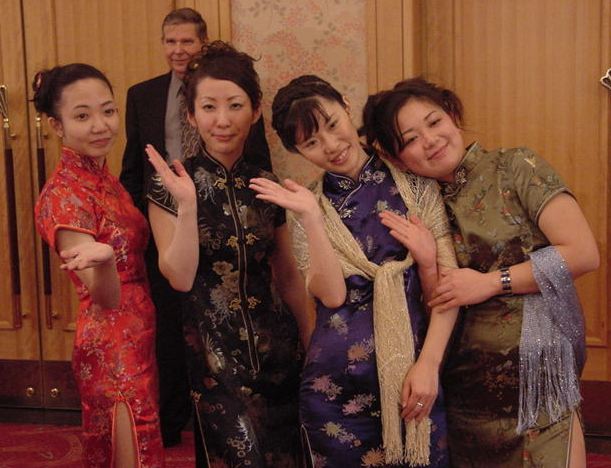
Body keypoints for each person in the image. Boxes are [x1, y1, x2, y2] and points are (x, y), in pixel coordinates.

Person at [362, 77, 600, 467]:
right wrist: (427, 263)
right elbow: (432, 300)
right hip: (464, 386)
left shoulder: (515, 167)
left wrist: (491, 283)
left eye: (434, 122)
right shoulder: (419, 206)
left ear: (453, 117)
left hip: (537, 381)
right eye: (411, 139)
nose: (431, 140)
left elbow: (583, 253)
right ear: (397, 158)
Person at [250, 75, 459, 467]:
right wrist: (312, 219)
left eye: (332, 124)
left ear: (347, 106)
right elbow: (332, 296)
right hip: (334, 390)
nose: (331, 145)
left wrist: (429, 365)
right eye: (311, 143)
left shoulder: (415, 183)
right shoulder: (307, 206)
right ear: (297, 150)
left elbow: (449, 288)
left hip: (412, 376)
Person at [145, 41, 306, 467]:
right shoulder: (169, 183)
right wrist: (188, 205)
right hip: (215, 361)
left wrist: (313, 345)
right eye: (209, 107)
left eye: (235, 105)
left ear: (254, 111)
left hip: (278, 352)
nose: (222, 120)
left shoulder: (265, 183)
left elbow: (288, 276)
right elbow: (178, 276)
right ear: (191, 114)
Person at [119, 7, 271, 447]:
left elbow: (257, 157)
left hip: (233, 220)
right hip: (168, 218)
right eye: (170, 41)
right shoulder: (142, 94)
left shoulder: (234, 96)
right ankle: (172, 421)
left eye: (187, 41)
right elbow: (133, 168)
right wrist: (150, 222)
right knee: (172, 330)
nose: (178, 49)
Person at [33, 63, 164, 467]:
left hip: (138, 332)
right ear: (56, 125)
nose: (100, 126)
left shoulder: (104, 179)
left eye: (108, 111)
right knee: (133, 450)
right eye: (82, 116)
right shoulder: (64, 195)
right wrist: (105, 259)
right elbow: (104, 297)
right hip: (110, 343)